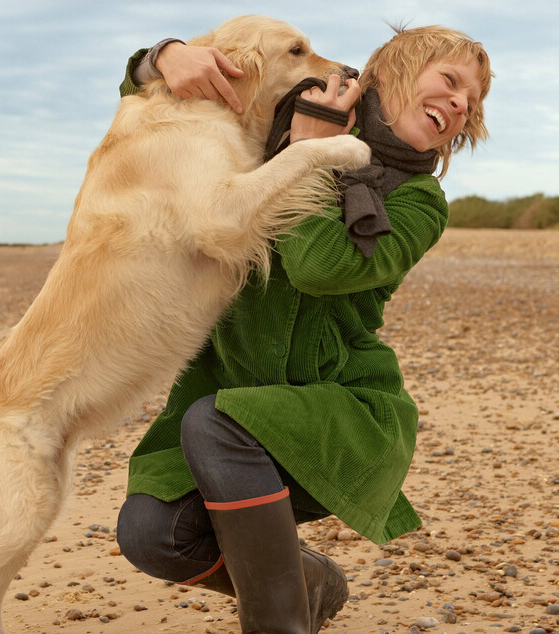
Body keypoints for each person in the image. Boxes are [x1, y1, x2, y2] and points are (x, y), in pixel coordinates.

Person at [115, 23, 493, 633]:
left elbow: (321, 268)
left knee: (216, 421)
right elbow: (154, 111)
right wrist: (163, 57)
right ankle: (309, 578)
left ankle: (278, 624)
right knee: (150, 534)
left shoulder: (420, 200)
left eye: (470, 102)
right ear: (391, 72)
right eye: (450, 81)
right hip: (229, 390)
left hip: (340, 408)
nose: (459, 102)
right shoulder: (289, 112)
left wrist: (306, 157)